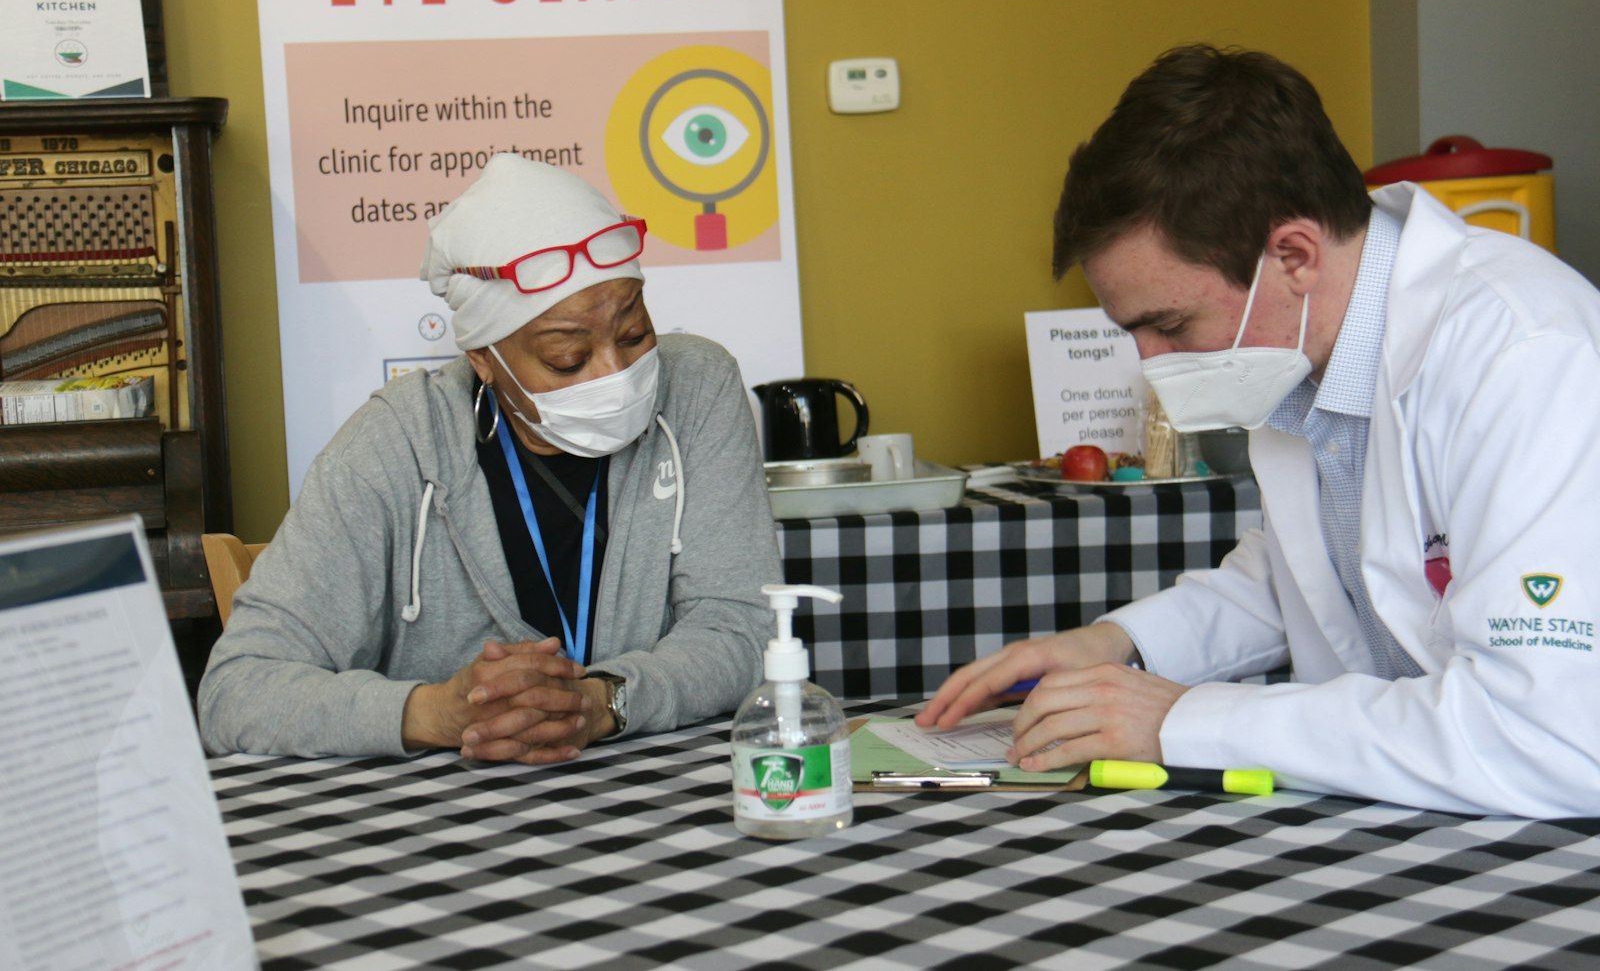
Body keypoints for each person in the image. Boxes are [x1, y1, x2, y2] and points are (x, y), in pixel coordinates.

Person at [920, 44, 1600, 817]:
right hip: (1413, 811)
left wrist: (1182, 718)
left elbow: (1544, 735)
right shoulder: (1302, 357)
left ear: (1295, 255)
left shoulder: (1525, 355)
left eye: (1169, 323)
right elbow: (1309, 579)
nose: (1152, 363)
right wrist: (1116, 648)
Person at [200, 153, 783, 763]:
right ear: (484, 358)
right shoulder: (395, 443)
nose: (616, 372)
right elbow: (235, 692)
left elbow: (742, 628)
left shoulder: (696, 387)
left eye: (635, 334)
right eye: (567, 358)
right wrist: (437, 713)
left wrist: (603, 702)